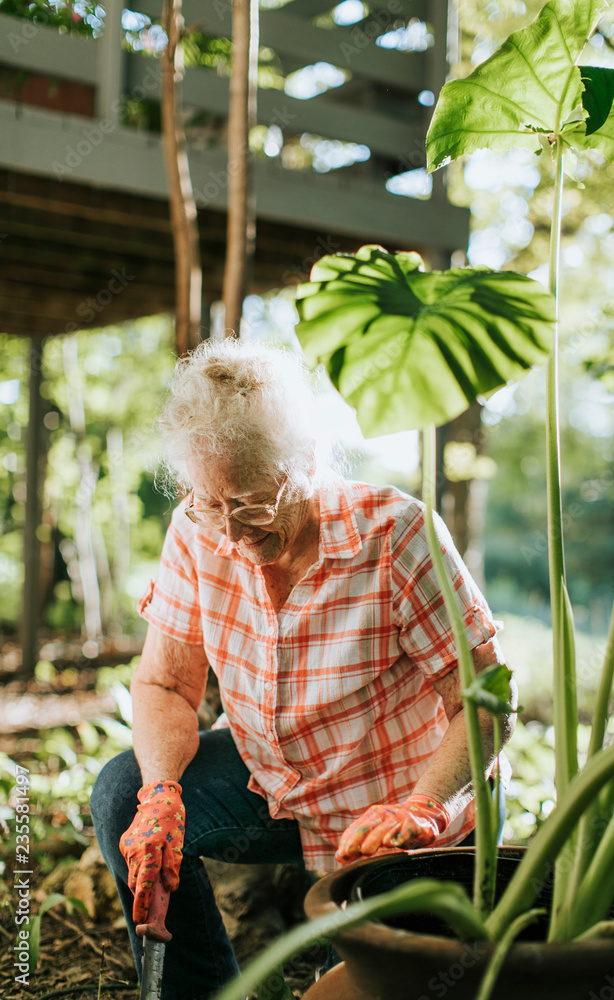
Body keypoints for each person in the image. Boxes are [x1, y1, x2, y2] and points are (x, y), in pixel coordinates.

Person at [90, 339, 515, 1000]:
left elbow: (483, 703)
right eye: (211, 502)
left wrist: (426, 806)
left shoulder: (398, 536)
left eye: (254, 505)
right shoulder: (198, 527)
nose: (230, 532)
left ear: (308, 463)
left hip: (395, 817)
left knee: (368, 986)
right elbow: (166, 683)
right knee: (123, 793)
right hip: (275, 788)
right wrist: (160, 795)